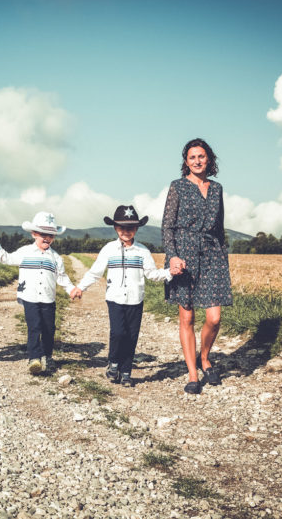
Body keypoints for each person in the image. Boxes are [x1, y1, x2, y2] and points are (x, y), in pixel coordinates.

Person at [70, 205, 172, 387]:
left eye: (131, 227)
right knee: (118, 333)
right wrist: (80, 288)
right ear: (116, 228)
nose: (126, 231)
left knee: (131, 336)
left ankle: (126, 372)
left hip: (136, 299)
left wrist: (170, 273)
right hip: (115, 298)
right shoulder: (109, 249)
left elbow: (152, 274)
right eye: (122, 227)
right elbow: (95, 272)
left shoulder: (142, 251)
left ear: (137, 229)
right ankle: (114, 362)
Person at [161, 138, 232, 394]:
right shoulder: (177, 187)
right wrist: (172, 256)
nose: (197, 161)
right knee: (187, 316)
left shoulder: (217, 188)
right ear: (186, 162)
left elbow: (219, 227)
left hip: (212, 255)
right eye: (192, 157)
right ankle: (193, 372)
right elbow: (167, 226)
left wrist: (222, 258)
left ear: (209, 160)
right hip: (185, 255)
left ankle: (205, 357)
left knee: (214, 318)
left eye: (201, 156)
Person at [0, 211, 76, 375]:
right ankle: (34, 358)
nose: (46, 238)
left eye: (50, 235)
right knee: (34, 326)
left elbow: (62, 277)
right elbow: (6, 258)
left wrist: (71, 289)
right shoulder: (25, 252)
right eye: (42, 234)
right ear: (34, 233)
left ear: (54, 237)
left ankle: (48, 356)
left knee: (49, 329)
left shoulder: (56, 258)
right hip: (30, 297)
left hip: (48, 299)